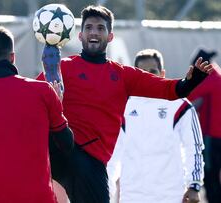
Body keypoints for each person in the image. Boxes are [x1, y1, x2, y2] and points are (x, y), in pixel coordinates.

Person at [37, 5, 213, 203]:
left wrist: (191, 81)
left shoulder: (122, 75)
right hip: (61, 150)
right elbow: (32, 101)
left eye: (100, 28)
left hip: (91, 161)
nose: (94, 32)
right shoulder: (63, 67)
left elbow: (171, 90)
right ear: (80, 35)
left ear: (110, 36)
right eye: (88, 27)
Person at [0, 25, 74, 203]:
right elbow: (67, 143)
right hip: (40, 198)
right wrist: (56, 107)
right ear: (12, 57)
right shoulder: (44, 92)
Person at [107, 49, 204, 203]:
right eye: (142, 72)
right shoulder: (122, 107)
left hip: (170, 195)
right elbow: (112, 156)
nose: (147, 76)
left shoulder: (180, 106)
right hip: (133, 195)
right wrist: (107, 191)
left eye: (152, 71)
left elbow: (193, 148)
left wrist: (194, 185)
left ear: (162, 74)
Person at [187, 49, 221, 203]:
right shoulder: (217, 74)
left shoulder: (210, 76)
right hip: (215, 134)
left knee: (210, 174)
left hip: (212, 135)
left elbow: (188, 94)